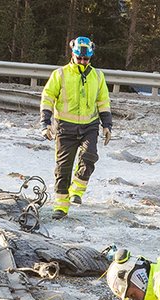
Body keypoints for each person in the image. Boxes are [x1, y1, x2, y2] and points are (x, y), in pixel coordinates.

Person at [39, 36, 112, 220]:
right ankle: (61, 207)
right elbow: (47, 97)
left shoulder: (98, 76)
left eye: (86, 59)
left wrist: (107, 125)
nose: (82, 61)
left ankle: (77, 190)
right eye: (79, 58)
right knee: (63, 168)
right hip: (65, 127)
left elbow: (103, 101)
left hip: (90, 125)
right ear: (73, 54)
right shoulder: (60, 74)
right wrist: (45, 122)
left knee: (90, 156)